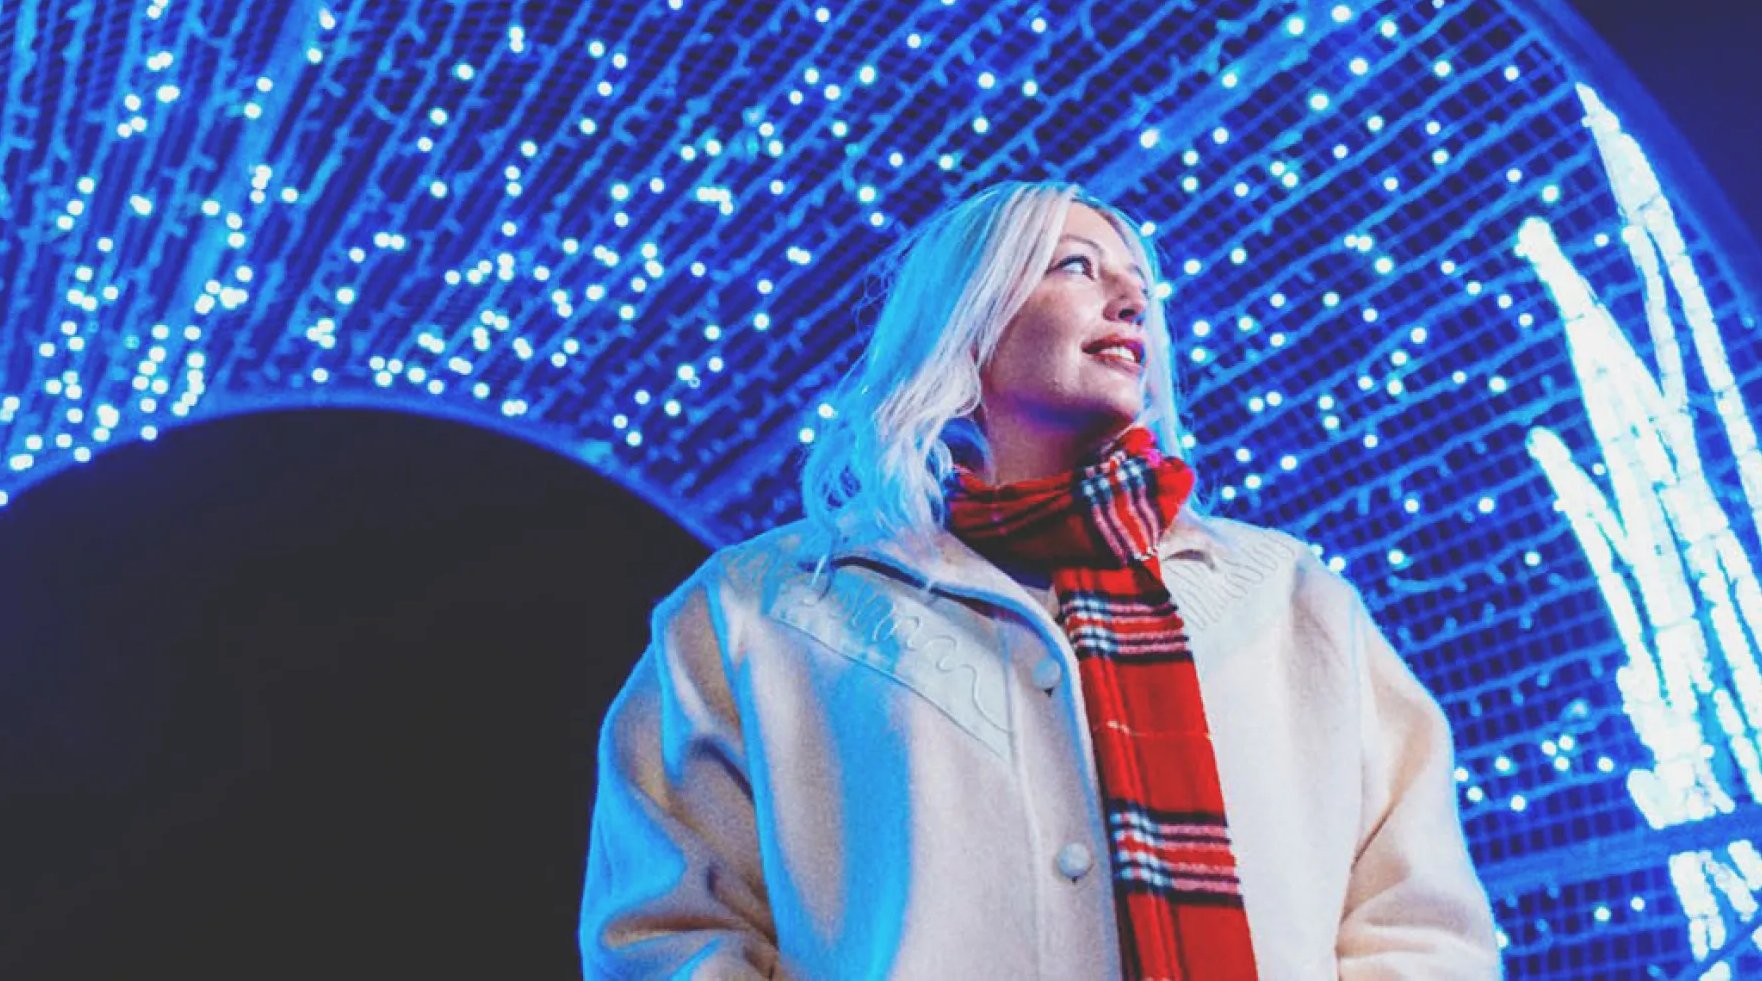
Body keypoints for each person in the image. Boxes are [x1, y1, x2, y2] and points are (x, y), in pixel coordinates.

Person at [579, 181, 1501, 978]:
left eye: (1139, 286)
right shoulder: (756, 611)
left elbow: (1415, 921)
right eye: (1075, 267)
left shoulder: (1293, 603)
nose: (1130, 302)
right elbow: (666, 934)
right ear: (963, 312)